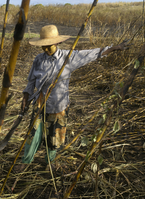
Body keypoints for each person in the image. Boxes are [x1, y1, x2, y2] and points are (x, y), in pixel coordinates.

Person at [20, 25, 129, 166]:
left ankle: (49, 162)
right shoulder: (38, 60)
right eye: (43, 46)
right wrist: (25, 98)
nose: (46, 49)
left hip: (59, 104)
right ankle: (25, 161)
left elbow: (91, 54)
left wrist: (113, 48)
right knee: (32, 135)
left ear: (57, 43)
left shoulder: (68, 57)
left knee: (55, 138)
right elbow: (31, 82)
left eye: (49, 46)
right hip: (40, 104)